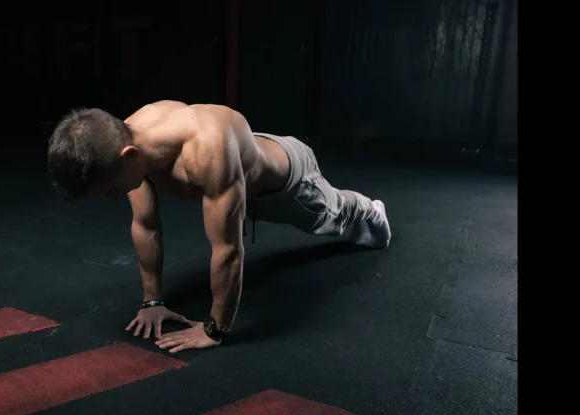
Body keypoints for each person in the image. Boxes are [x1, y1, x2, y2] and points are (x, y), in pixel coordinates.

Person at [46, 100, 391, 353]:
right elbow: (146, 224)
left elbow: (228, 249)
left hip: (286, 185)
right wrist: (152, 302)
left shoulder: (204, 148)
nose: (114, 197)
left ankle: (372, 210)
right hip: (237, 175)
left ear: (130, 155)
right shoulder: (125, 138)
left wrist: (214, 329)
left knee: (333, 216)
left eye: (113, 190)